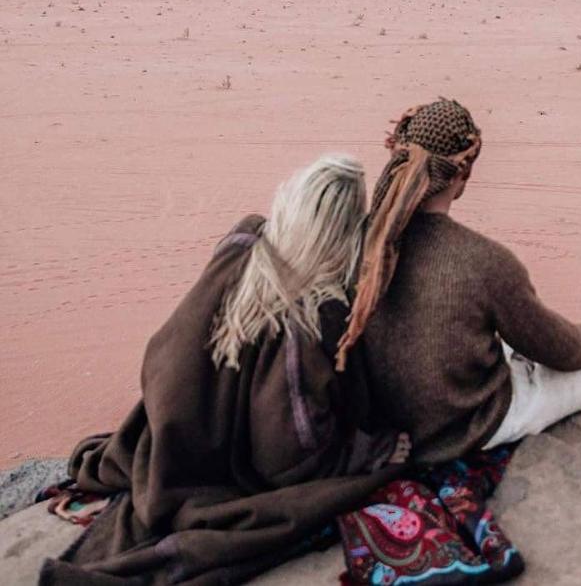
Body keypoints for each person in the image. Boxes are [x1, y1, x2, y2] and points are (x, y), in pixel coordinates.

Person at [41, 155, 409, 586]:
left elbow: (169, 349)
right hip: (212, 464)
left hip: (170, 429)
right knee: (378, 468)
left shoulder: (241, 243)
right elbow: (288, 455)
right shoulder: (312, 318)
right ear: (343, 233)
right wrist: (365, 453)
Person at [339, 99, 581, 463]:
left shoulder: (358, 241)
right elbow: (555, 348)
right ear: (463, 173)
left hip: (390, 428)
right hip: (469, 426)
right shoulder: (484, 261)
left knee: (501, 339)